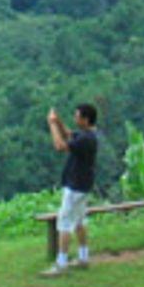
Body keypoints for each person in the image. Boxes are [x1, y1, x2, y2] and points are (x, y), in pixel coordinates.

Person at [40, 102, 99, 277]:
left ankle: (61, 263)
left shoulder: (85, 139)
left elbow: (60, 145)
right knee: (80, 221)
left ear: (85, 120)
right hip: (83, 185)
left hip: (75, 187)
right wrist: (58, 121)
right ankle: (83, 257)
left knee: (65, 223)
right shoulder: (87, 135)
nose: (75, 119)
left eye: (77, 116)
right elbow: (68, 134)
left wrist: (52, 124)